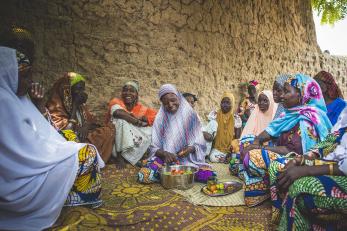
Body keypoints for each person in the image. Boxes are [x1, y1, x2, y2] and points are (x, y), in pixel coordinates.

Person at [0, 45, 103, 230]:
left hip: (38, 156)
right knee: (84, 150)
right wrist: (65, 146)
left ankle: (68, 192)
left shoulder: (19, 98)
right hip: (22, 177)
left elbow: (43, 131)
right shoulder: (4, 101)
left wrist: (37, 103)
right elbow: (33, 147)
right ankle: (70, 199)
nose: (30, 81)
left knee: (82, 140)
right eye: (24, 76)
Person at [239, 74, 332, 207]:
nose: (282, 96)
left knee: (253, 157)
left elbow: (291, 151)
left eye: (287, 92)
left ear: (302, 96)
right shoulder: (290, 113)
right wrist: (256, 141)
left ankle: (264, 186)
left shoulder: (308, 120)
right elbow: (270, 131)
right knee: (245, 142)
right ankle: (262, 183)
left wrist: (258, 148)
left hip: (297, 161)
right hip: (282, 152)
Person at [268, 107, 347, 230]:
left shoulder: (311, 116)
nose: (282, 95)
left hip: (341, 169)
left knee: (300, 186)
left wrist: (308, 169)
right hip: (330, 161)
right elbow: (329, 142)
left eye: (286, 91)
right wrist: (302, 159)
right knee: (279, 167)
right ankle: (282, 219)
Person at [138, 84, 213, 183]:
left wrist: (190, 148)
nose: (170, 104)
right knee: (144, 176)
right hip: (165, 161)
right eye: (165, 103)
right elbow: (153, 147)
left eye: (173, 100)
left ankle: (168, 176)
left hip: (189, 161)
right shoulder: (160, 120)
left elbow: (200, 144)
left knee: (209, 176)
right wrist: (165, 154)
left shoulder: (192, 117)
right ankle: (170, 175)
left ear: (179, 98)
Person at [46, 72, 115, 163]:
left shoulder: (81, 105)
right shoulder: (56, 106)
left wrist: (85, 126)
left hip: (82, 138)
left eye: (83, 89)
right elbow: (66, 133)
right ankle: (87, 160)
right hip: (68, 145)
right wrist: (75, 105)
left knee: (108, 130)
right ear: (68, 90)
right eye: (78, 89)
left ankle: (96, 159)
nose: (81, 93)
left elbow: (92, 122)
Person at [107, 81, 157, 167]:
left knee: (152, 130)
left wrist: (146, 119)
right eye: (125, 90)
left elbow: (157, 117)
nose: (128, 93)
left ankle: (132, 156)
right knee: (121, 120)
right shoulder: (116, 102)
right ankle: (120, 156)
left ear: (136, 94)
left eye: (131, 91)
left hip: (133, 139)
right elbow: (118, 113)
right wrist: (137, 121)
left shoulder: (142, 109)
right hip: (115, 140)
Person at [209, 92, 238, 163]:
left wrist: (232, 150)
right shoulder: (215, 115)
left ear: (232, 104)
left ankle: (227, 158)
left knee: (237, 157)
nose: (225, 105)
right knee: (212, 158)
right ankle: (225, 159)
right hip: (217, 148)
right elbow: (210, 133)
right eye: (223, 102)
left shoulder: (236, 118)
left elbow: (238, 137)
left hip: (230, 150)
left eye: (228, 103)